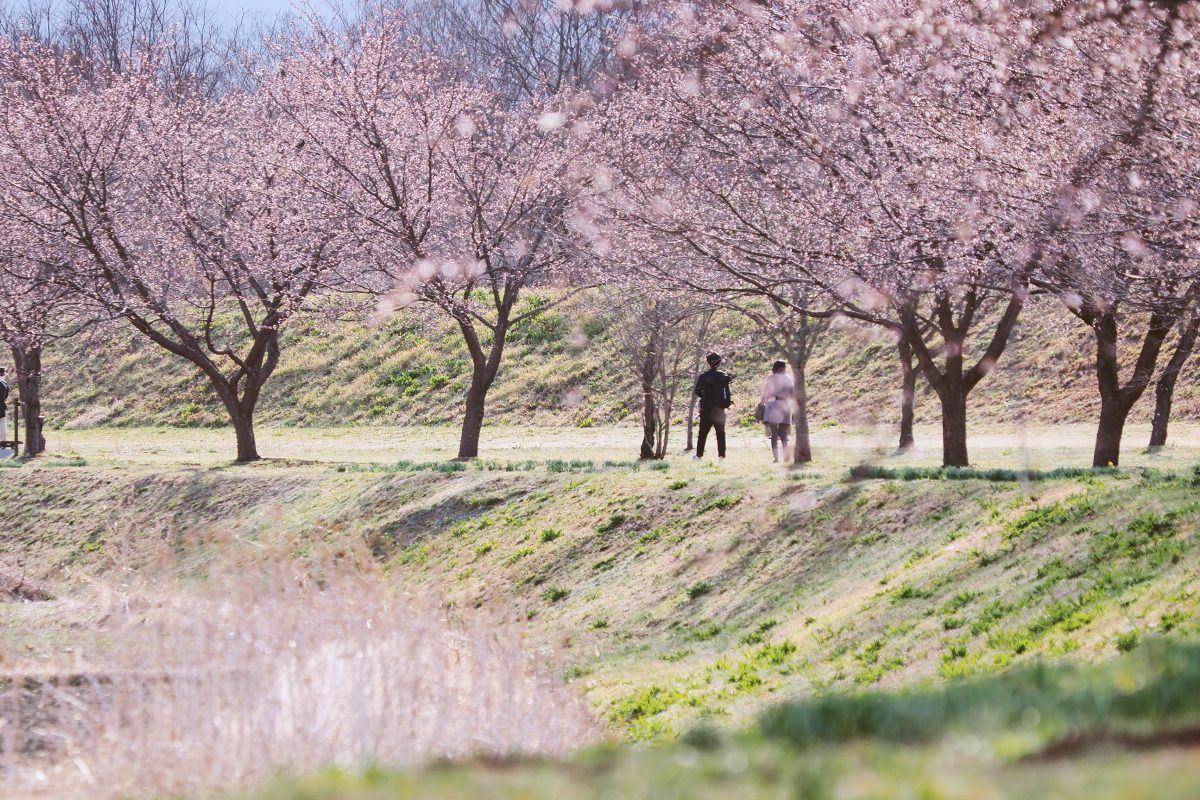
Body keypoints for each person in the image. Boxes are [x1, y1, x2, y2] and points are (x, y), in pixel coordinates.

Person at [693, 352, 732, 460]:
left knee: (702, 433)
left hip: (707, 409)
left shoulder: (703, 377)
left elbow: (697, 391)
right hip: (720, 409)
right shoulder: (723, 376)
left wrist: (705, 396)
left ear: (708, 362)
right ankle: (721, 457)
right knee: (720, 433)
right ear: (719, 363)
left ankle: (699, 456)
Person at [760, 360, 796, 463]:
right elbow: (793, 394)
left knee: (774, 433)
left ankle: (776, 458)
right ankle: (786, 456)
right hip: (785, 406)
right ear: (784, 368)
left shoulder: (770, 378)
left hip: (773, 405)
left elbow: (764, 395)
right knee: (783, 433)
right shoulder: (788, 379)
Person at [0, 367, 8, 445]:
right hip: (2, 407)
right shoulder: (5, 384)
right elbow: (6, 396)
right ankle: (3, 442)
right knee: (2, 424)